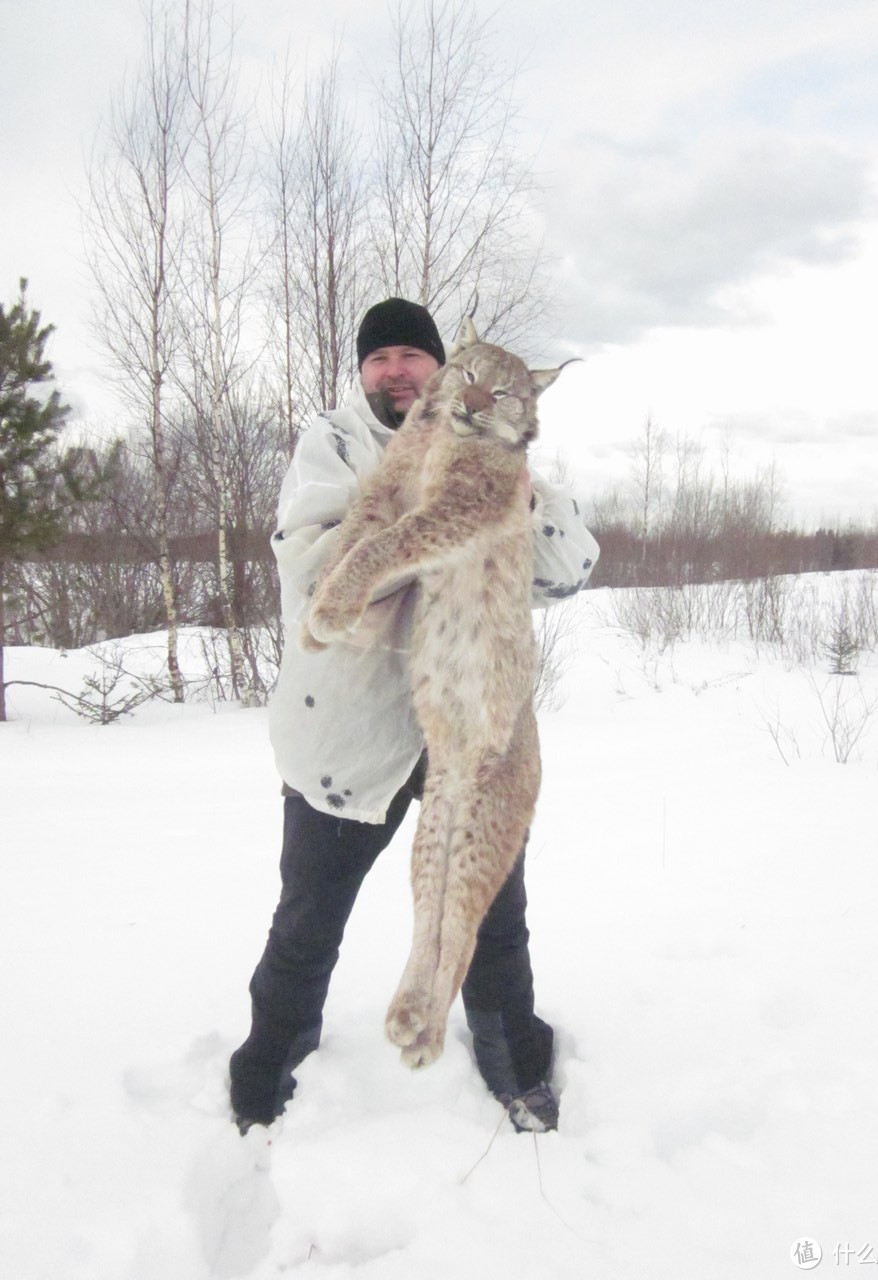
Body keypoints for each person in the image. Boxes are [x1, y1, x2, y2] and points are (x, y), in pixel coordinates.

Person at [229, 298, 599, 1135]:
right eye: (378, 358)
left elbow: (568, 569)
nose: (395, 370)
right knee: (308, 916)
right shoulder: (335, 446)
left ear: (448, 367)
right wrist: (445, 526)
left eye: (412, 355)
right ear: (363, 374)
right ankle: (272, 1060)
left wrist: (515, 498)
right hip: (353, 727)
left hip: (472, 712)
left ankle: (514, 1059)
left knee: (493, 913)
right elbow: (317, 572)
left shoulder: (499, 443)